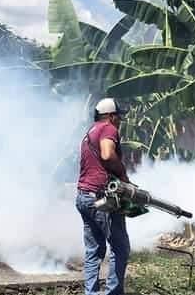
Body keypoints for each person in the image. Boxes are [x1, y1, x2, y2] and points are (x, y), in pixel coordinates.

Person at [76, 98, 131, 295]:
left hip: (83, 196)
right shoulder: (108, 129)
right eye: (119, 116)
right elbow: (107, 155)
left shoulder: (90, 132)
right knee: (120, 247)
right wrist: (123, 175)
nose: (120, 121)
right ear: (110, 116)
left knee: (93, 252)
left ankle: (90, 293)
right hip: (101, 198)